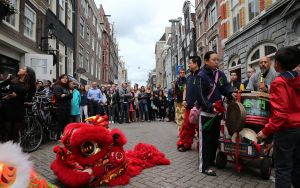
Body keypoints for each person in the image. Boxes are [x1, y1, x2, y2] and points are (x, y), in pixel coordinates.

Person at [257, 46, 300, 188]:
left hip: (286, 129)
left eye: (270, 61)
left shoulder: (278, 80)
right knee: (297, 165)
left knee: (283, 168)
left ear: (276, 64)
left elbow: (280, 113)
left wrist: (266, 131)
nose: (263, 64)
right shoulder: (297, 78)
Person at [197, 51, 233, 176]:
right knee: (205, 142)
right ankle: (204, 167)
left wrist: (231, 94)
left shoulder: (220, 74)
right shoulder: (201, 76)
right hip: (206, 115)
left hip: (217, 114)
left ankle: (211, 161)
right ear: (206, 61)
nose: (217, 62)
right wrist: (209, 106)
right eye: (214, 60)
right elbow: (200, 96)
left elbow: (226, 88)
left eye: (218, 59)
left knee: (214, 140)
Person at [0, 67, 36, 142]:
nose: (20, 68)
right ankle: (5, 150)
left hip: (18, 108)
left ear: (26, 73)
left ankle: (13, 151)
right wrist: (7, 81)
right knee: (6, 130)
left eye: (23, 68)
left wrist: (17, 96)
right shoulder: (14, 79)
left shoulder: (30, 85)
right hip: (7, 106)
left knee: (15, 132)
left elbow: (28, 99)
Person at [176, 56, 202, 152]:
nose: (189, 65)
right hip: (189, 106)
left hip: (200, 106)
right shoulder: (189, 77)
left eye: (190, 63)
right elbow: (186, 89)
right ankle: (185, 144)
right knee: (186, 126)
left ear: (196, 64)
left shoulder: (202, 75)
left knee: (200, 127)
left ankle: (202, 145)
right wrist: (184, 100)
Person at [53, 74, 73, 140]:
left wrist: (65, 95)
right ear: (60, 79)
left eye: (66, 78)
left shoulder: (67, 88)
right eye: (63, 78)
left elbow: (71, 96)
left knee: (67, 122)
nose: (65, 79)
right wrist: (68, 95)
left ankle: (65, 136)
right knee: (60, 122)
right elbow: (59, 96)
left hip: (67, 107)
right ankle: (58, 137)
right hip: (60, 107)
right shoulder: (57, 87)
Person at [174, 68, 186, 133]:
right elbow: (175, 91)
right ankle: (180, 131)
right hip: (179, 100)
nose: (182, 73)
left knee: (185, 116)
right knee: (179, 116)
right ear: (179, 73)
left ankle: (186, 130)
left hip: (185, 100)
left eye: (183, 72)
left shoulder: (187, 80)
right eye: (181, 72)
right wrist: (175, 98)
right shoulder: (177, 81)